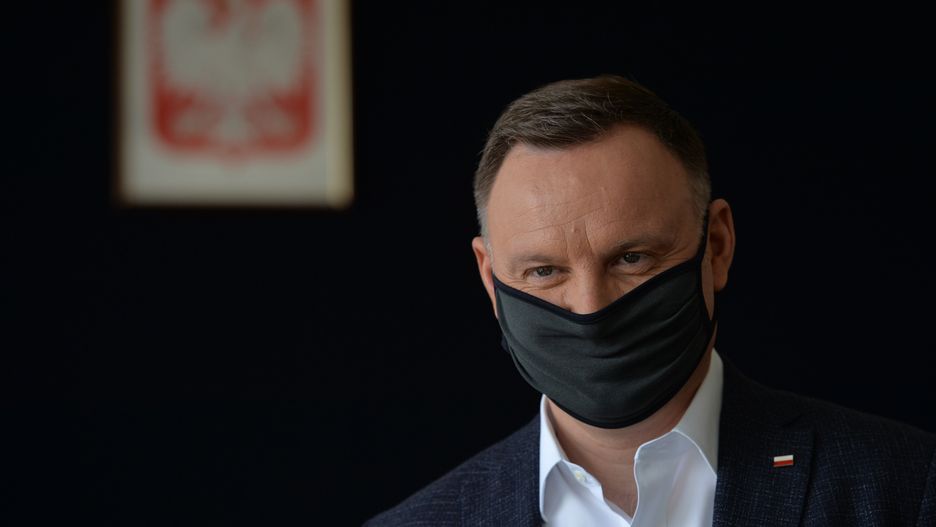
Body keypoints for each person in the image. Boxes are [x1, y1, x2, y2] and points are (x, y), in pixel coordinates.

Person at [365, 75, 935, 526]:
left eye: (632, 259)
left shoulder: (903, 492)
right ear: (490, 279)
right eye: (544, 271)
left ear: (716, 246)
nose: (590, 309)